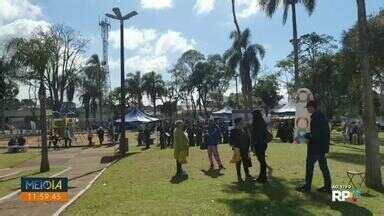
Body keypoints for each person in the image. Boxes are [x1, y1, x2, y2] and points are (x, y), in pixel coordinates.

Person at [297, 100, 332, 193]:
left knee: (310, 168)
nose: (307, 109)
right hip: (321, 147)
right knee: (324, 168)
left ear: (313, 107)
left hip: (315, 148)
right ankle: (328, 187)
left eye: (308, 107)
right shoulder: (320, 117)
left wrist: (304, 135)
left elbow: (315, 135)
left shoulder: (317, 118)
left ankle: (307, 187)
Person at [230, 117, 253, 182]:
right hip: (238, 150)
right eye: (242, 121)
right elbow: (231, 141)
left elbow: (248, 139)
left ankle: (247, 176)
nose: (243, 122)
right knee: (238, 164)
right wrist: (235, 147)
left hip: (245, 149)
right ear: (238, 123)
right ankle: (239, 178)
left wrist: (249, 148)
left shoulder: (245, 129)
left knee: (246, 163)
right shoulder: (233, 131)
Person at [251, 110, 270, 183]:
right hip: (263, 144)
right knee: (262, 161)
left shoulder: (256, 124)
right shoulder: (262, 123)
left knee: (262, 161)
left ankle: (262, 178)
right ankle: (262, 177)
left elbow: (255, 136)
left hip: (259, 144)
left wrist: (253, 145)